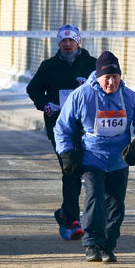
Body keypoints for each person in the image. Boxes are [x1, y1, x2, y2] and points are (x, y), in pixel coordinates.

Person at [54, 51, 135, 263]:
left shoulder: (130, 97)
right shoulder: (82, 95)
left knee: (116, 203)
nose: (111, 82)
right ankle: (92, 244)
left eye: (115, 77)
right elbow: (62, 127)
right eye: (106, 77)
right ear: (98, 77)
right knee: (95, 197)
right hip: (92, 156)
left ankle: (108, 245)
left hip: (119, 158)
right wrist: (66, 152)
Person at [26, 24, 96, 240]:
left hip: (89, 128)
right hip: (60, 128)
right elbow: (33, 89)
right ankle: (73, 219)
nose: (67, 45)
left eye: (71, 40)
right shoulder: (49, 66)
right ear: (58, 43)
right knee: (70, 169)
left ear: (78, 42)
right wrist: (45, 104)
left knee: (90, 172)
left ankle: (68, 213)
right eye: (63, 41)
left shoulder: (92, 65)